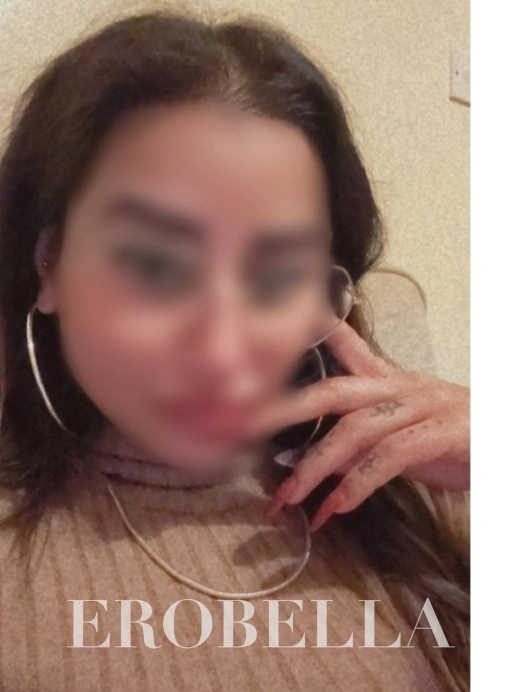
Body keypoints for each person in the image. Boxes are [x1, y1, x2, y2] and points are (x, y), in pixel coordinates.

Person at [0, 9, 469, 692]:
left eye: (277, 277)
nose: (223, 346)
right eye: (157, 265)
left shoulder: (422, 493)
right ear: (50, 264)